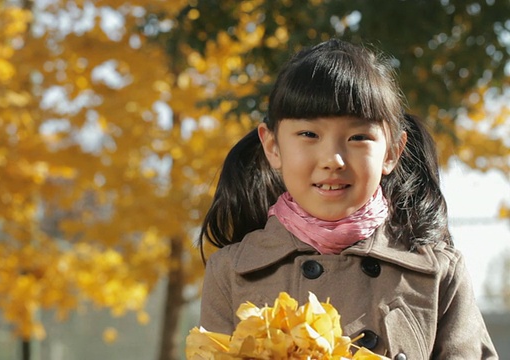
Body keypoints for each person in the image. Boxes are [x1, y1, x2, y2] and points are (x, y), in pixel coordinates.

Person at [197, 39, 498, 359]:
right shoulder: (231, 271)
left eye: (358, 138)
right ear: (273, 147)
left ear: (393, 152)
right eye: (309, 135)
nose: (333, 160)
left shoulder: (437, 273)